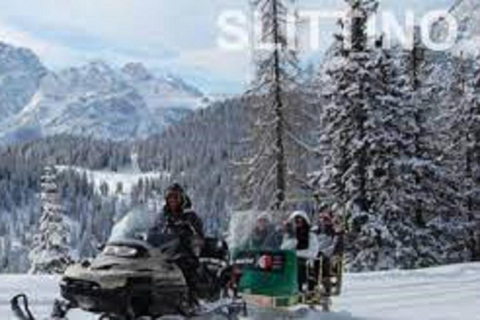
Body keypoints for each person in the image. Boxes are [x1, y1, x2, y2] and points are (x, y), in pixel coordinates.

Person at [149, 183, 204, 303]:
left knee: (185, 266)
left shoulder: (190, 216)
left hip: (185, 253)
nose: (172, 200)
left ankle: (191, 300)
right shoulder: (162, 216)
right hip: (164, 254)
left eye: (175, 197)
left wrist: (188, 233)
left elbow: (198, 234)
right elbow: (153, 231)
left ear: (181, 199)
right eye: (170, 197)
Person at [281, 211, 319, 292]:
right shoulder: (288, 236)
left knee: (298, 265)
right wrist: (292, 242)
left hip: (303, 261)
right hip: (289, 260)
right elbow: (283, 248)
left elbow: (313, 252)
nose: (297, 223)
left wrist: (295, 253)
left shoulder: (310, 236)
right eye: (295, 221)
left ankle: (299, 286)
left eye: (300, 221)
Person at [314, 210, 342, 296]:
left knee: (323, 261)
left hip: (328, 255)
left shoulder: (334, 232)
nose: (323, 221)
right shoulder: (316, 231)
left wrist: (325, 252)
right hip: (315, 253)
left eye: (326, 219)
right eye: (322, 219)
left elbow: (335, 245)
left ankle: (326, 286)